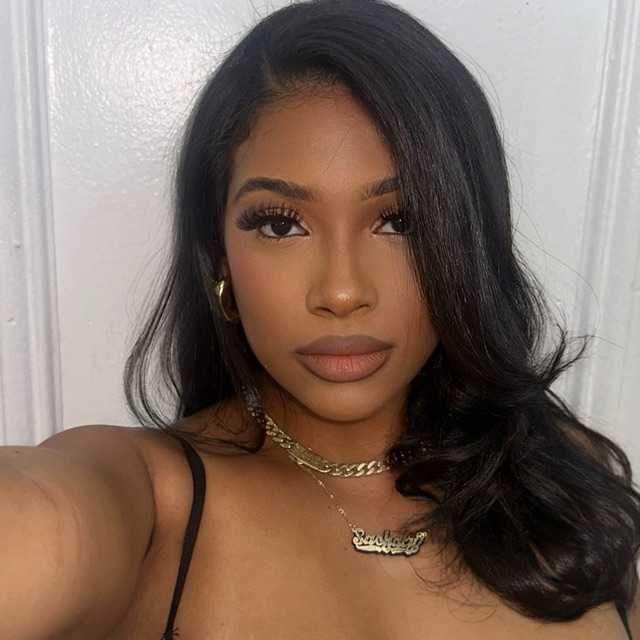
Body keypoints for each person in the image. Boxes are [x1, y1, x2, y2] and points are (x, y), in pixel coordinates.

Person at [2, 0, 639, 638]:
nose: (341, 292)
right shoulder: (148, 503)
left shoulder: (562, 484)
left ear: (467, 240)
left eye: (400, 221)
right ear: (220, 254)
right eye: (281, 225)